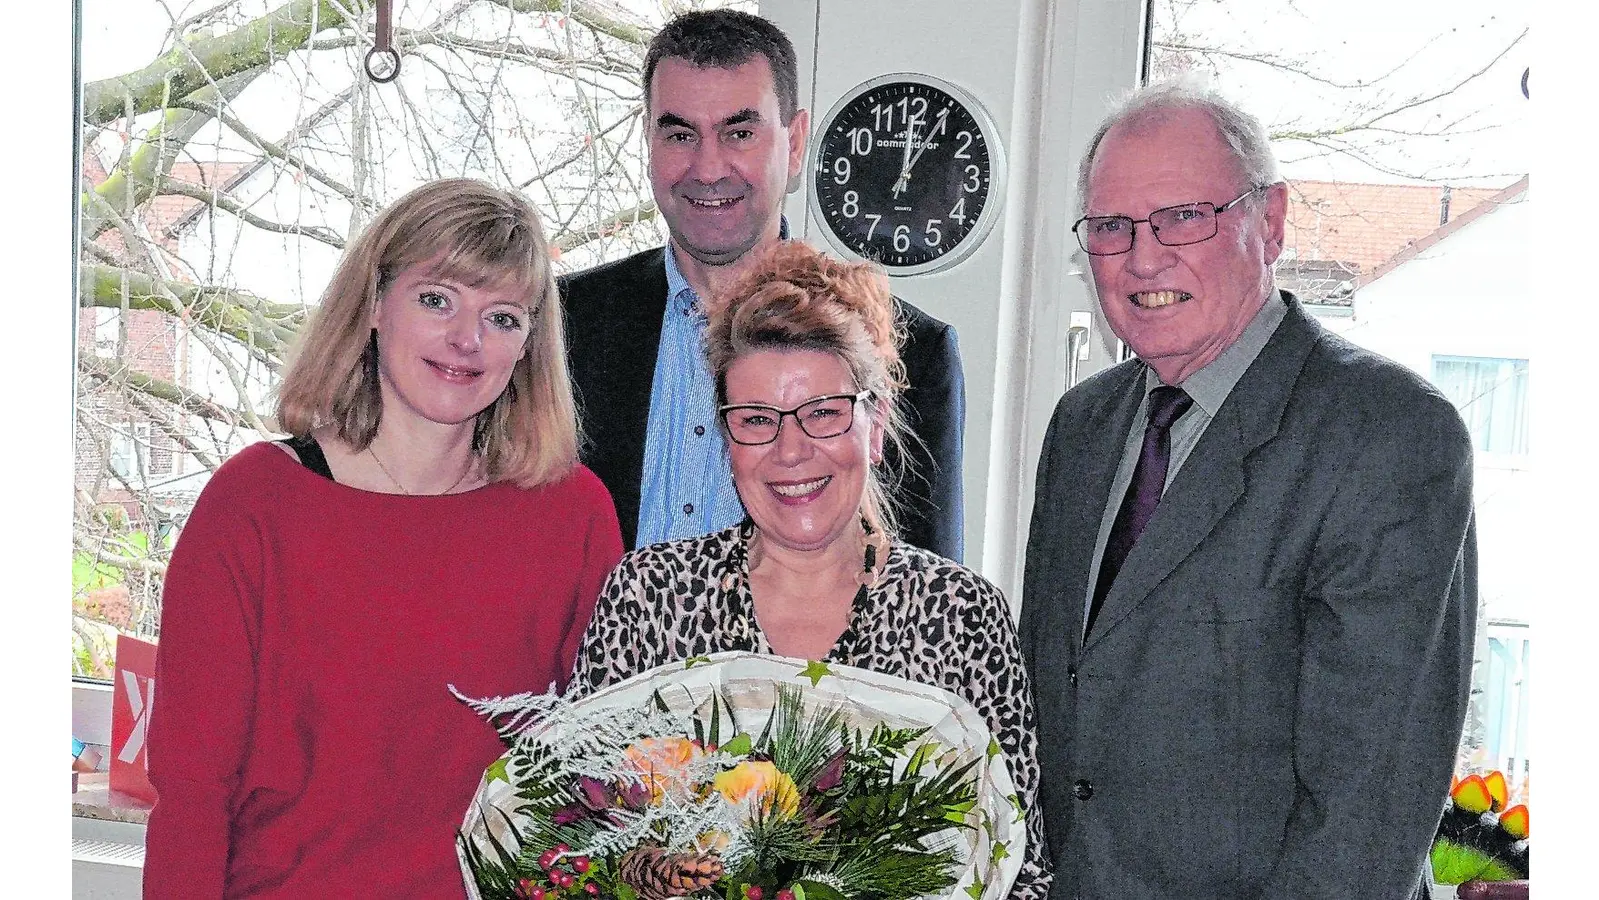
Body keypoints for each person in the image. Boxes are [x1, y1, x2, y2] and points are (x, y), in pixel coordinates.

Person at [1019, 80, 1477, 899]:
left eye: (1184, 218)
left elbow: (1368, 809)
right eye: (1112, 228)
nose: (1143, 257)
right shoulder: (1082, 428)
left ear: (1269, 223)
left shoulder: (1388, 433)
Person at [142, 178, 624, 897]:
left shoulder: (572, 516)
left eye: (502, 317)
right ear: (373, 305)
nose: (468, 341)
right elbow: (190, 793)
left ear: (528, 346)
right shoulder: (254, 506)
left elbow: (605, 783)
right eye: (437, 300)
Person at [570, 241, 1049, 900]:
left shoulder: (963, 617)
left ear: (874, 422)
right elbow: (578, 839)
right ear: (727, 437)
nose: (791, 451)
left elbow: (1020, 871)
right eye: (757, 420)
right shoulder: (649, 598)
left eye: (823, 414)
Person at [559, 9, 967, 561]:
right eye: (680, 134)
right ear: (648, 142)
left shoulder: (910, 350)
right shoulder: (560, 324)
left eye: (739, 133)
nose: (707, 169)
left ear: (795, 143)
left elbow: (926, 599)